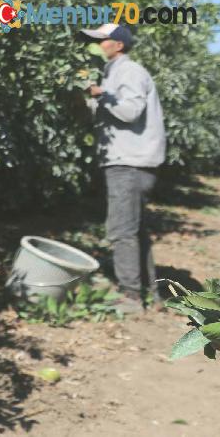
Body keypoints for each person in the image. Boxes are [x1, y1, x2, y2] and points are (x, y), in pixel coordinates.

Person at [80, 24, 167, 313]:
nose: (97, 45)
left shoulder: (129, 71)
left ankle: (130, 297)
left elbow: (129, 111)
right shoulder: (113, 72)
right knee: (135, 229)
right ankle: (152, 295)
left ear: (118, 44)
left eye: (101, 40)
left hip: (129, 162)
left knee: (121, 229)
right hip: (129, 160)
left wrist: (100, 94)